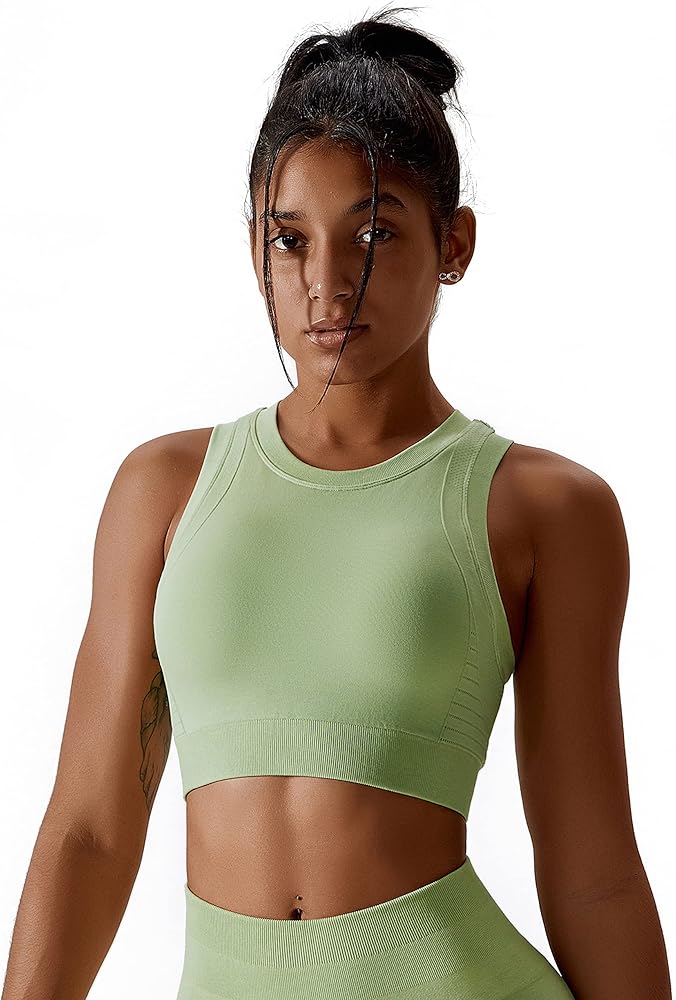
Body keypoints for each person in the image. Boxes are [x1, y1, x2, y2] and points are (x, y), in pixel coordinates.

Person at [2, 7, 671, 1000]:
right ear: (255, 249)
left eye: (373, 234)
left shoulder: (540, 509)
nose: (326, 283)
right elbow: (90, 832)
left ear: (454, 243)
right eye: (289, 240)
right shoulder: (166, 492)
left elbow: (594, 874)